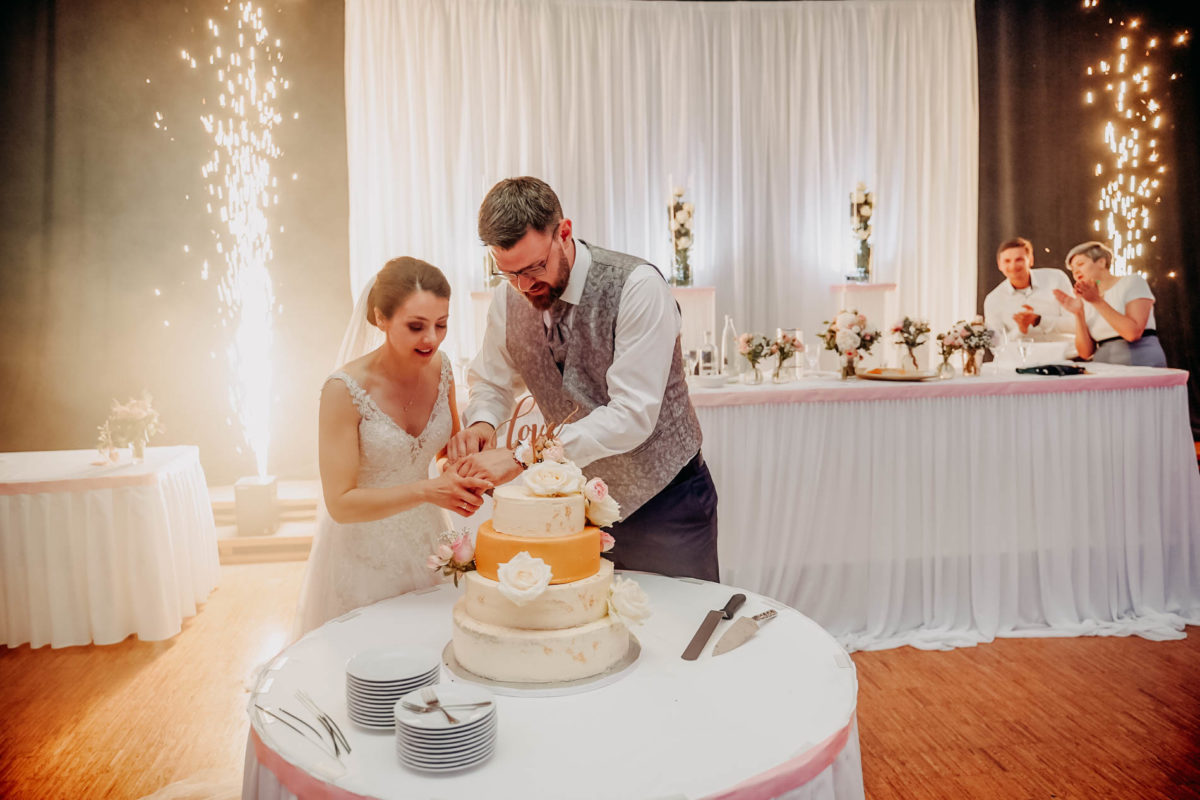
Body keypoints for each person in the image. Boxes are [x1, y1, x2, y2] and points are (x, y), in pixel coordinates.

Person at [446, 176, 719, 582]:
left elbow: (631, 415)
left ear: (564, 233)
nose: (523, 286)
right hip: (576, 506)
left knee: (682, 633)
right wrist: (484, 420)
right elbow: (492, 379)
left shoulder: (637, 287)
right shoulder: (509, 300)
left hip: (667, 502)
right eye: (509, 273)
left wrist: (522, 456)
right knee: (590, 630)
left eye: (535, 267)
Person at [293, 257, 492, 636]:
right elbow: (340, 504)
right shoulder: (343, 391)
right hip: (364, 552)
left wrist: (460, 457)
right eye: (416, 326)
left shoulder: (443, 369)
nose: (431, 339)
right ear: (380, 318)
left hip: (428, 542)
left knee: (436, 651)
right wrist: (426, 490)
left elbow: (443, 452)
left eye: (441, 324)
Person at [1052, 240, 1167, 367]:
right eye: (1073, 269)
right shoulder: (1087, 299)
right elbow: (1085, 353)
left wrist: (1096, 301)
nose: (1076, 272)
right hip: (1105, 367)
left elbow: (1132, 333)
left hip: (1140, 364)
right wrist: (1078, 313)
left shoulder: (1132, 282)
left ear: (1101, 262)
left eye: (1080, 264)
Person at [982, 237, 1074, 343]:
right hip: (1022, 358)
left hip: (1065, 356)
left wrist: (1039, 320)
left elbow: (1076, 324)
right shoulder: (993, 299)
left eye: (1019, 259)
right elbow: (996, 345)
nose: (1013, 266)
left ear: (1031, 260)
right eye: (1007, 261)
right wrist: (1020, 330)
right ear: (999, 265)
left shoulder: (1057, 278)